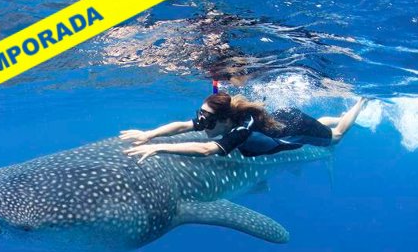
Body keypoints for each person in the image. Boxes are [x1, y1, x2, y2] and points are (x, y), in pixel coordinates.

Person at [120, 92, 368, 163]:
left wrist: (159, 148)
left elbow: (206, 150)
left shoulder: (241, 129)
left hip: (293, 126)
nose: (202, 125)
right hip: (283, 119)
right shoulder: (220, 119)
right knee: (318, 126)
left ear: (226, 120)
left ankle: (360, 103)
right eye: (202, 119)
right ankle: (328, 120)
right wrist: (149, 134)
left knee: (335, 137)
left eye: (207, 121)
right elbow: (182, 126)